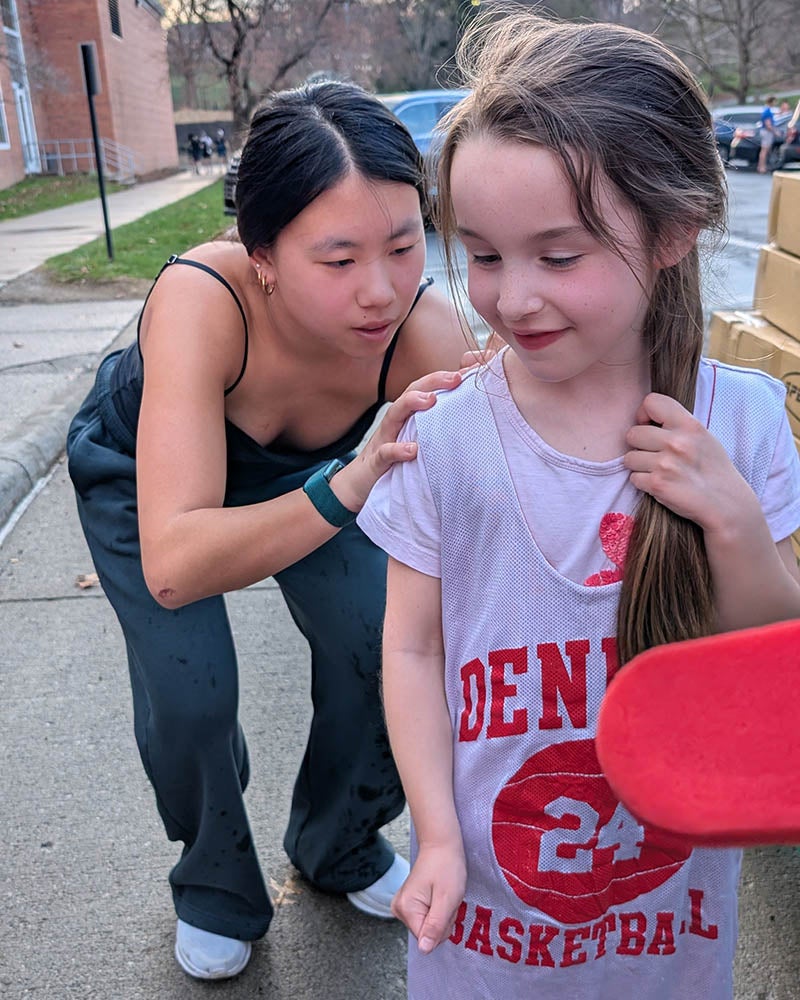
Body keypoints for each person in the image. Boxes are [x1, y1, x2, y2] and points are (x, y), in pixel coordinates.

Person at [358, 13, 800, 999]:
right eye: (481, 254)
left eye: (558, 257)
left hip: (670, 933)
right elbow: (413, 649)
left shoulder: (743, 423)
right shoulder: (444, 437)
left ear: (675, 230)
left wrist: (726, 520)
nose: (511, 299)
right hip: (480, 924)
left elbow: (772, 661)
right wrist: (431, 833)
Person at [67, 81, 473, 981]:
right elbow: (176, 564)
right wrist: (349, 486)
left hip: (326, 473)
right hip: (147, 484)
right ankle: (213, 882)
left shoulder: (423, 332)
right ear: (263, 255)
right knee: (191, 692)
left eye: (405, 247)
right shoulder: (200, 297)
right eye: (338, 261)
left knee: (388, 637)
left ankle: (341, 840)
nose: (381, 291)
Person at [758, 95, 777, 173]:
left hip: (764, 131)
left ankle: (761, 166)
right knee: (764, 150)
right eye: (775, 101)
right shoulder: (767, 111)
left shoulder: (766, 110)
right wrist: (775, 132)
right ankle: (761, 167)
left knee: (765, 150)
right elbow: (768, 124)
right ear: (771, 101)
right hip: (766, 132)